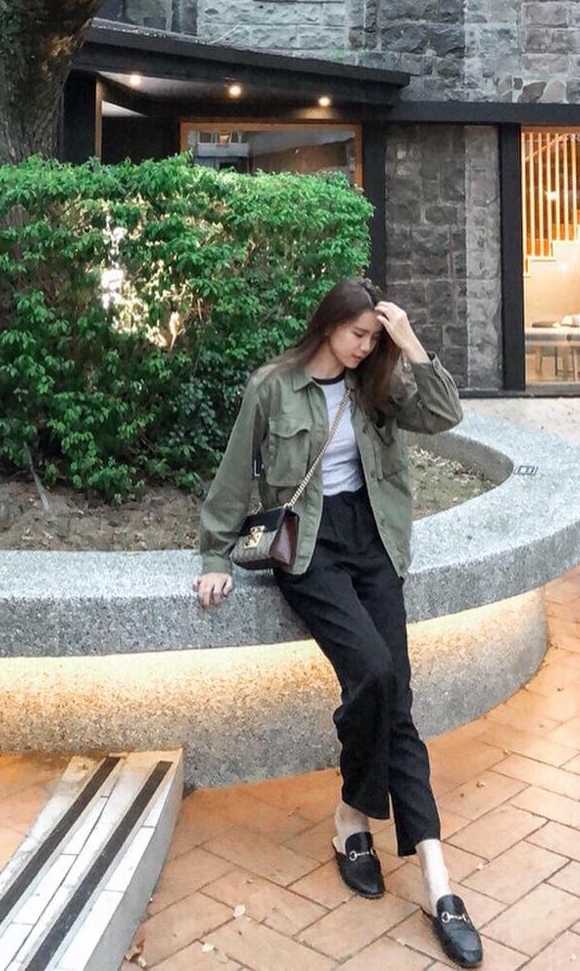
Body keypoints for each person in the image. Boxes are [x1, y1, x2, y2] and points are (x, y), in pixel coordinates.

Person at [195, 278, 482, 969]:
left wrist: (407, 342)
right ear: (328, 325)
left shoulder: (377, 381)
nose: (364, 347)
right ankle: (355, 813)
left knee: (398, 701)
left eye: (373, 337)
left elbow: (444, 414)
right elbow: (234, 475)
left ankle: (437, 883)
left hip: (374, 541)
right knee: (374, 674)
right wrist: (214, 555)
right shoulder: (273, 387)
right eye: (358, 335)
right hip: (309, 549)